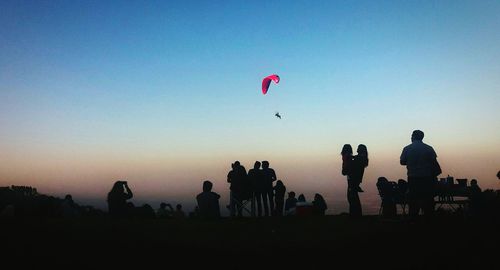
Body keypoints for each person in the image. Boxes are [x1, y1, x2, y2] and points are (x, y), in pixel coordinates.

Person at [400, 130, 440, 220]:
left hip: (413, 178)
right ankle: (428, 221)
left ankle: (413, 221)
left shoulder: (407, 148)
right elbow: (434, 162)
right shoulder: (429, 148)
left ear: (413, 137)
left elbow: (402, 162)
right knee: (427, 201)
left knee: (413, 202)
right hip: (427, 178)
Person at [342, 144, 361, 217]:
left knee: (352, 197)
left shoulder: (347, 157)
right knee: (353, 197)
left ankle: (354, 214)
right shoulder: (349, 157)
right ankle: (355, 213)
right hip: (352, 179)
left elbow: (346, 169)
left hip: (351, 179)